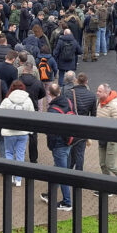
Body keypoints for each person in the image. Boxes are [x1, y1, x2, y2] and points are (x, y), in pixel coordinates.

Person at [40, 82, 73, 211]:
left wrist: (51, 145)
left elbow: (50, 131)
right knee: (58, 169)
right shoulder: (68, 102)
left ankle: (67, 202)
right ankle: (51, 193)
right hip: (69, 141)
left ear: (49, 93)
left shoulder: (52, 109)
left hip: (59, 145)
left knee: (61, 174)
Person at [0, 80, 35, 186]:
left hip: (9, 131)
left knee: (9, 153)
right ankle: (18, 179)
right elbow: (32, 115)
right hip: (23, 132)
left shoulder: (6, 101)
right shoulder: (28, 100)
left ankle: (10, 176)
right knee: (20, 154)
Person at [63, 72, 96, 173]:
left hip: (70, 127)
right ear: (86, 82)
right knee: (80, 154)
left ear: (76, 80)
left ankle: (68, 173)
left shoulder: (68, 93)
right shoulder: (92, 96)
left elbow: (64, 110)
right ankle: (79, 175)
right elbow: (93, 116)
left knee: (69, 151)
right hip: (83, 128)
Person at [95, 83, 117, 178]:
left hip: (111, 139)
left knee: (110, 165)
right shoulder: (99, 102)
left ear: (106, 93)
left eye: (100, 91)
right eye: (97, 91)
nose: (97, 93)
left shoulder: (115, 106)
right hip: (102, 137)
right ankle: (107, 185)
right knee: (103, 164)